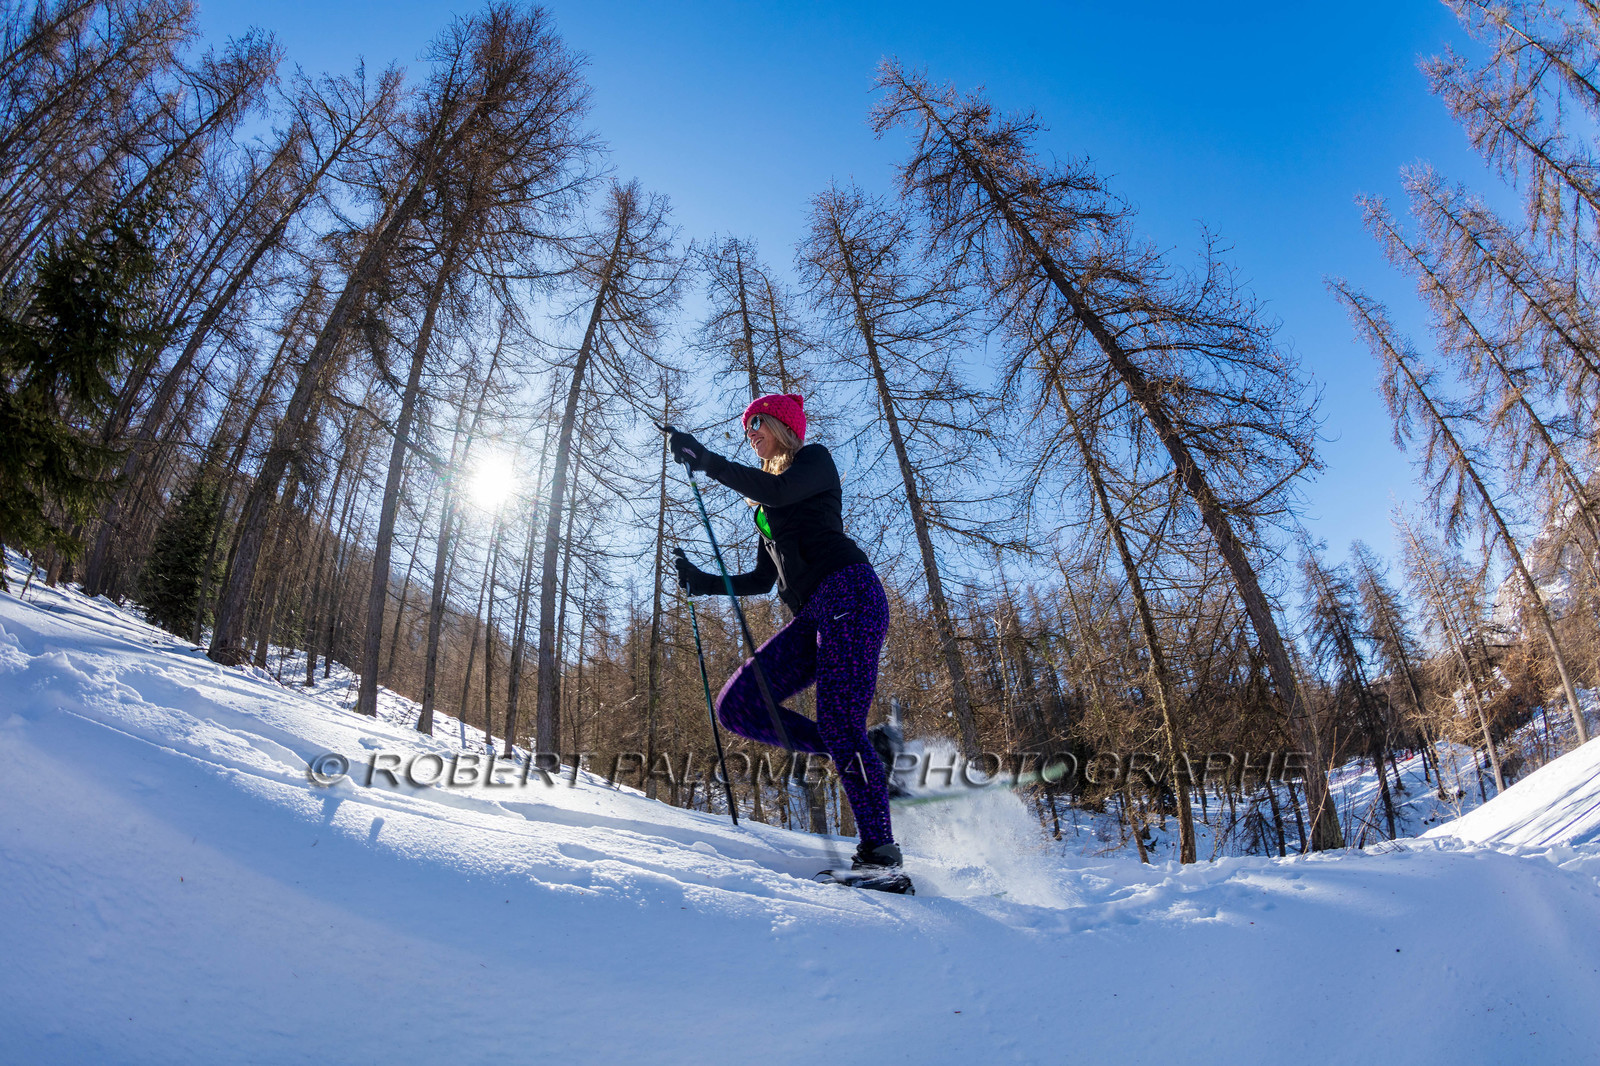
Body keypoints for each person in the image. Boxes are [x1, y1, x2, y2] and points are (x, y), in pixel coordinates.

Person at [668, 393, 908, 890]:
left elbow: (778, 493)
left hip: (850, 593)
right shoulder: (766, 503)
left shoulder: (813, 462)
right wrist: (702, 582)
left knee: (840, 723)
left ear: (783, 424)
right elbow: (761, 578)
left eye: (757, 421)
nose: (749, 430)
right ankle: (872, 749)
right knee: (738, 705)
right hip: (813, 615)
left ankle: (881, 858)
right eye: (745, 426)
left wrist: (709, 461)